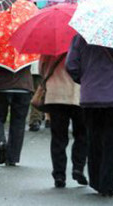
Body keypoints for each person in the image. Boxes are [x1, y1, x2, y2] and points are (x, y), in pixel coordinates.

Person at [66, 34, 113, 197]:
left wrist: (85, 78)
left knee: (94, 138)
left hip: (91, 96)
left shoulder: (82, 37)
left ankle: (96, 180)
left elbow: (71, 65)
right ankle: (108, 184)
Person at [39, 52, 87, 189]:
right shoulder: (82, 47)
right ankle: (78, 167)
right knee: (82, 134)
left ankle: (59, 175)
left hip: (55, 95)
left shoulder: (49, 46)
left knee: (58, 137)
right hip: (79, 95)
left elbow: (42, 68)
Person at [0, 64, 33, 167]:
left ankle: (0, 141)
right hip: (23, 85)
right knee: (19, 122)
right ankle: (12, 157)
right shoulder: (26, 49)